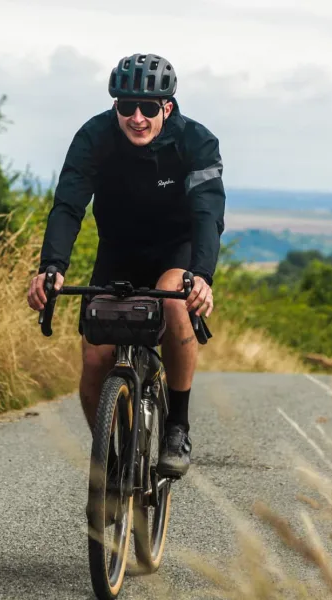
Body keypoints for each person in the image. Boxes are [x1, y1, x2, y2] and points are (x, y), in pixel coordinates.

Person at [26, 53, 225, 477]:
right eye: (126, 107)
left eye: (148, 108)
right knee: (96, 358)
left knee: (174, 303)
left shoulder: (197, 142)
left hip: (178, 249)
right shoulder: (94, 137)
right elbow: (68, 206)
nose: (137, 117)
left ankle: (177, 426)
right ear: (114, 106)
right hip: (119, 251)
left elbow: (208, 213)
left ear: (166, 108)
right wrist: (51, 266)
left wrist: (203, 277)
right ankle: (111, 456)